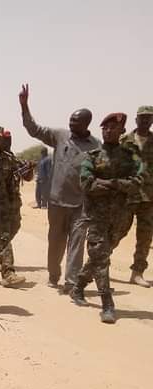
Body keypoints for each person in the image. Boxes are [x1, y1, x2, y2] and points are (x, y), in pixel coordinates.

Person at [19, 84, 100, 292]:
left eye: (75, 121)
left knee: (76, 242)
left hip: (81, 204)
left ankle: (71, 282)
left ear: (86, 124)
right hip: (56, 202)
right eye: (70, 120)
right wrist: (24, 106)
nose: (70, 123)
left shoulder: (96, 146)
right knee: (55, 242)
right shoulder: (60, 135)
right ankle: (53, 275)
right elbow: (34, 129)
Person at [69, 113, 142, 324]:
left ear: (122, 131)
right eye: (105, 128)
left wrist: (111, 183)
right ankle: (107, 304)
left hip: (121, 218)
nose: (108, 131)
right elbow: (87, 184)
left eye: (113, 128)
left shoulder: (130, 157)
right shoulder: (92, 157)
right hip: (96, 217)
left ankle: (78, 287)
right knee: (101, 257)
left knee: (100, 255)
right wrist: (117, 185)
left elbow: (138, 181)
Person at [0, 127, 34, 287]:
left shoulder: (9, 158)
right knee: (3, 237)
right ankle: (8, 274)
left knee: (13, 228)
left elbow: (26, 176)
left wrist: (29, 169)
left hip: (8, 205)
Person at [116, 105, 153, 287]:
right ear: (136, 119)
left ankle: (137, 273)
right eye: (142, 117)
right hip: (127, 195)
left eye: (149, 118)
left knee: (145, 237)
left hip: (149, 196)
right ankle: (99, 264)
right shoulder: (124, 140)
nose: (145, 120)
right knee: (117, 231)